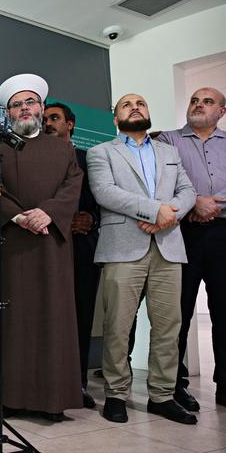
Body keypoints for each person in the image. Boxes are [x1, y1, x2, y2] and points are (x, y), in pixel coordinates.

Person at [0, 73, 83, 421]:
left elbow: (72, 186)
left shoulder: (63, 147)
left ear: (41, 107)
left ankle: (50, 400)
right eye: (16, 105)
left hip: (50, 244)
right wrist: (19, 217)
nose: (24, 109)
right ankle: (6, 398)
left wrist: (47, 213)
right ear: (8, 112)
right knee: (10, 321)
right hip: (9, 243)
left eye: (30, 102)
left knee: (52, 318)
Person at [87, 93, 197, 425]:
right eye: (127, 104)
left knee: (168, 327)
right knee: (118, 326)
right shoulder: (100, 152)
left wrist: (169, 217)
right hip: (122, 247)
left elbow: (188, 191)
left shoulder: (170, 152)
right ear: (115, 118)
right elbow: (105, 192)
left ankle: (162, 396)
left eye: (142, 103)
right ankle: (116, 394)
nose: (136, 107)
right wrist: (155, 210)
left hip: (168, 245)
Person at [157, 87, 226, 411]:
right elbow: (161, 181)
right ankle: (174, 385)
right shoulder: (167, 141)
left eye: (207, 101)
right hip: (181, 233)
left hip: (223, 234)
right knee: (177, 313)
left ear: (221, 111)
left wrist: (213, 203)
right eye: (194, 100)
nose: (199, 105)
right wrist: (194, 201)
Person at [44, 102, 100, 408]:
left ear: (71, 124)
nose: (48, 124)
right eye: (44, 119)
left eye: (54, 118)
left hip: (80, 248)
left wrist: (92, 220)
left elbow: (101, 201)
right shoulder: (33, 159)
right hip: (45, 247)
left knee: (80, 316)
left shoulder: (89, 160)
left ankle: (77, 383)